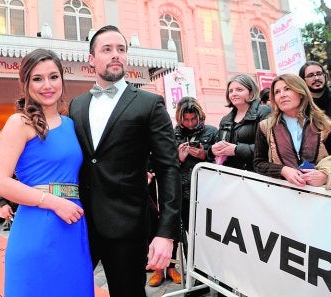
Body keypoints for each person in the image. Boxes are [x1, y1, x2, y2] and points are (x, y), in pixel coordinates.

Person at [69, 25, 181, 297]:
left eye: (121, 49)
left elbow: (168, 169)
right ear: (91, 59)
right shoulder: (77, 105)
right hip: (78, 224)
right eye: (107, 49)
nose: (116, 55)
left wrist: (166, 233)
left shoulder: (149, 103)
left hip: (128, 226)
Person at [0, 48, 94, 297]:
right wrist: (54, 203)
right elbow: (0, 183)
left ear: (62, 79)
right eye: (37, 78)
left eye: (53, 77)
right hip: (36, 226)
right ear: (25, 84)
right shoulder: (19, 123)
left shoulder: (72, 124)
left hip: (73, 226)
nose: (47, 85)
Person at [148, 97, 218, 287]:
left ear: (199, 116)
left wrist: (205, 155)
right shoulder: (171, 133)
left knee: (201, 236)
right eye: (185, 119)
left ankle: (202, 275)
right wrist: (178, 158)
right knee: (173, 232)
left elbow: (222, 163)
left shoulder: (211, 132)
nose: (189, 123)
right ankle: (171, 270)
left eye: (193, 119)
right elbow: (161, 162)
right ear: (179, 118)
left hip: (204, 193)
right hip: (176, 192)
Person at [254, 74, 331, 187]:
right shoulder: (265, 127)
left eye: (287, 89)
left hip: (322, 197)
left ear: (301, 93)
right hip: (283, 196)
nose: (282, 95)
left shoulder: (324, 125)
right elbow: (258, 163)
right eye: (277, 92)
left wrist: (326, 176)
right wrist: (283, 170)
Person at [210, 74, 271, 171]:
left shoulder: (264, 112)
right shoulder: (225, 120)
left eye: (239, 90)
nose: (233, 93)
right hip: (231, 177)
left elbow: (269, 147)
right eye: (230, 91)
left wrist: (236, 150)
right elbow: (219, 144)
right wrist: (213, 150)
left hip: (256, 176)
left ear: (251, 92)